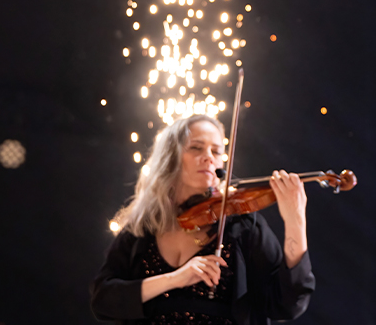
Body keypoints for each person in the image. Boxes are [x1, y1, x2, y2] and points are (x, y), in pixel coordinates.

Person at [90, 114, 314, 325]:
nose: (208, 157)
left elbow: (287, 303)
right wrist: (175, 279)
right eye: (196, 148)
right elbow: (103, 299)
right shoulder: (144, 227)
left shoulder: (241, 225)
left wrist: (295, 219)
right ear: (171, 156)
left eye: (216, 152)